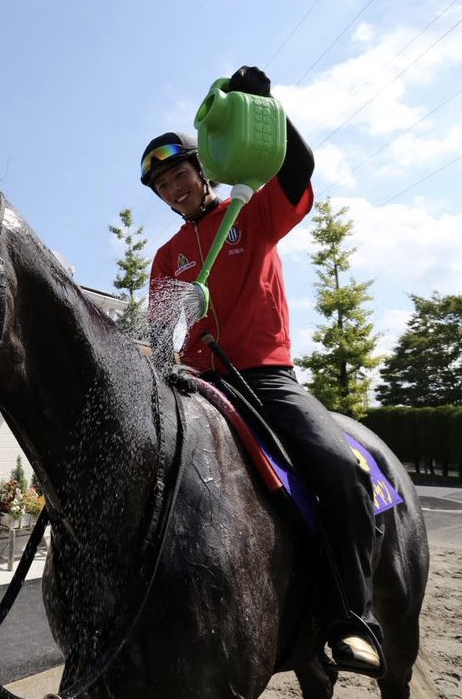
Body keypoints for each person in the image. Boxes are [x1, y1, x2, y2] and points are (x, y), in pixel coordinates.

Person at [143, 65, 382, 675]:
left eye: (179, 175)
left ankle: (353, 619)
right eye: (163, 186)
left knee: (343, 472)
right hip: (197, 386)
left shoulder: (250, 213)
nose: (174, 190)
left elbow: (299, 169)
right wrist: (169, 334)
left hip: (266, 379)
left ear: (203, 171)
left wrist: (266, 104)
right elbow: (158, 339)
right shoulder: (167, 257)